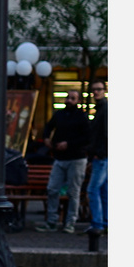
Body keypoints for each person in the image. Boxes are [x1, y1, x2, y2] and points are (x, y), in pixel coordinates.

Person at [38, 89, 91, 232]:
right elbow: (48, 126)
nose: (69, 100)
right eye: (68, 97)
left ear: (78, 101)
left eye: (73, 98)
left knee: (73, 192)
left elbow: (87, 138)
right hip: (59, 158)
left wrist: (69, 144)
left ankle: (70, 223)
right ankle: (52, 221)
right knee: (52, 189)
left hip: (76, 158)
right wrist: (47, 138)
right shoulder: (59, 114)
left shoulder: (82, 116)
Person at [86, 79, 107, 234]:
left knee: (93, 189)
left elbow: (105, 133)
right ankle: (104, 222)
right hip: (103, 156)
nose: (96, 92)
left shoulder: (104, 109)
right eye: (94, 89)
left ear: (104, 90)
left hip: (102, 156)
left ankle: (97, 224)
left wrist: (100, 153)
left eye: (99, 89)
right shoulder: (100, 108)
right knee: (103, 190)